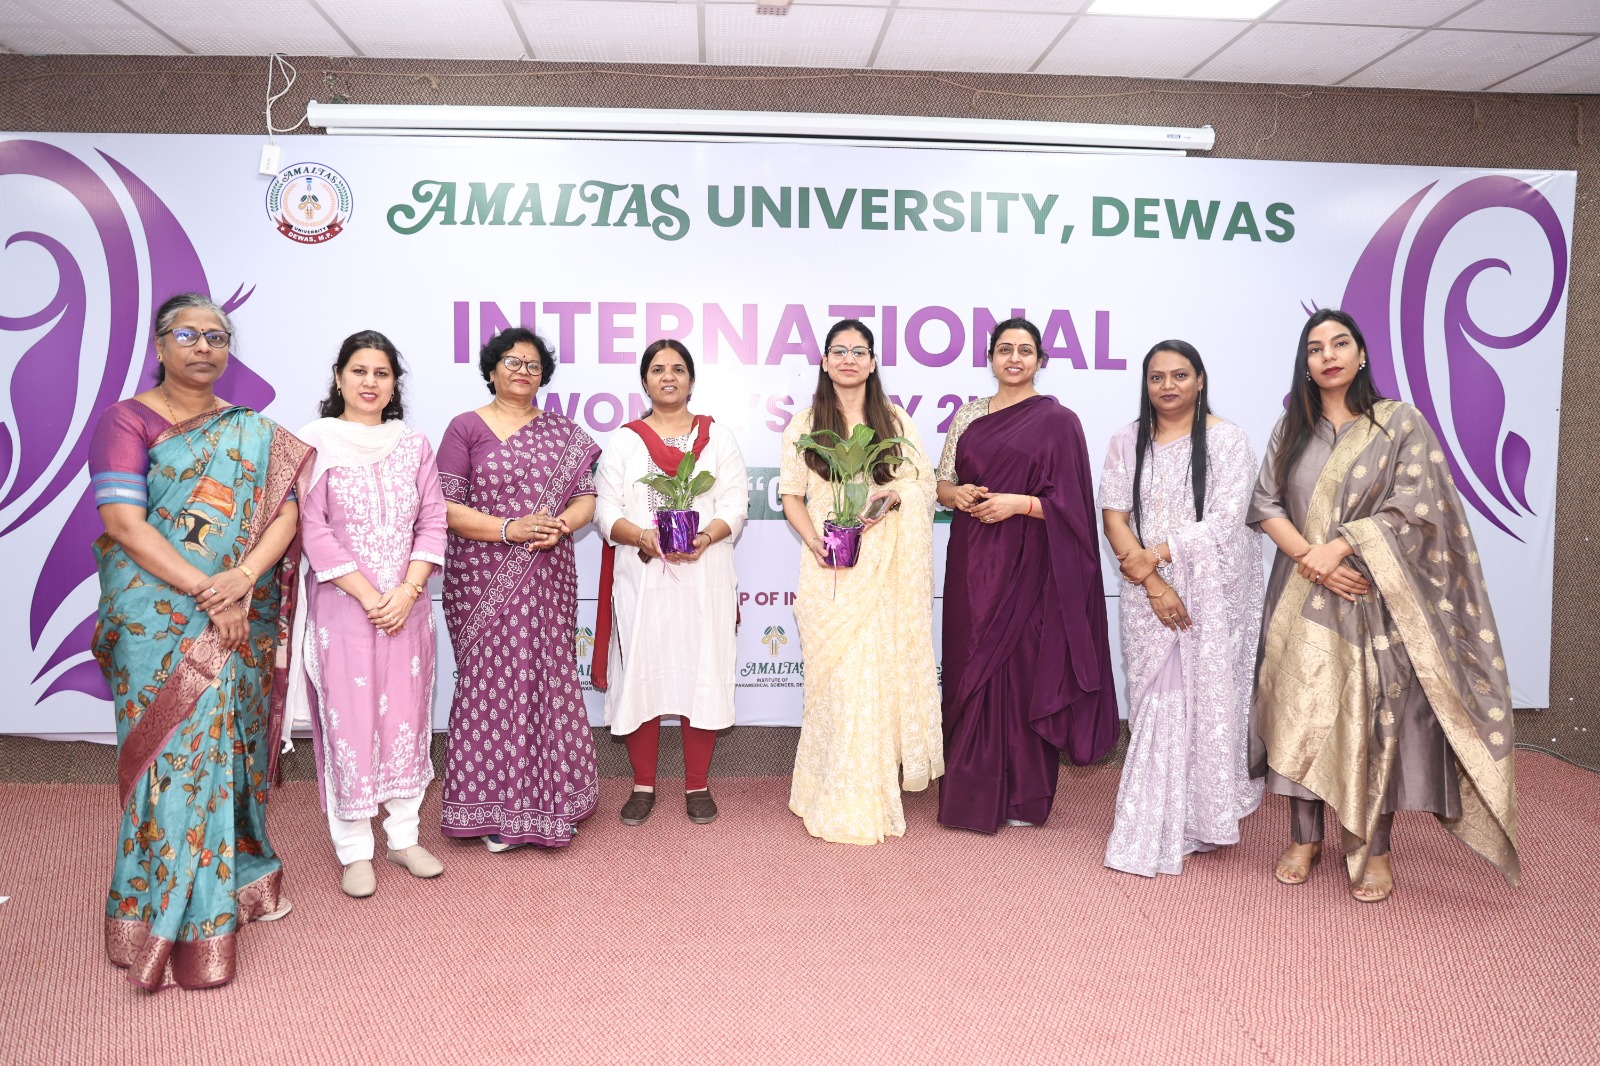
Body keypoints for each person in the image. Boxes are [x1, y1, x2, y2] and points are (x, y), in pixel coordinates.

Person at [1250, 308, 1519, 901]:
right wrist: (1314, 559)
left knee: (1376, 718)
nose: (1329, 355)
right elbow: (1266, 503)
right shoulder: (1291, 428)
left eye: (1340, 343)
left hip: (1374, 596)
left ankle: (1375, 846)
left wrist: (1344, 545)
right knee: (1300, 708)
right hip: (1302, 590)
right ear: (1306, 363)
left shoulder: (1399, 424)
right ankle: (1303, 837)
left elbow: (1420, 506)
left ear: (1362, 354)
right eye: (1316, 348)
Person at [90, 293, 308, 990]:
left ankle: (238, 881)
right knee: (169, 754)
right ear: (160, 346)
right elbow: (125, 524)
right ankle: (159, 910)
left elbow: (285, 514)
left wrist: (240, 579)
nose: (205, 347)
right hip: (154, 618)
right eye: (188, 335)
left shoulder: (252, 431)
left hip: (234, 607)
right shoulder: (126, 420)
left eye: (217, 336)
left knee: (228, 744)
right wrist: (211, 592)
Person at [936, 317, 1118, 833]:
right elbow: (942, 484)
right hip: (972, 562)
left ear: (1040, 360)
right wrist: (957, 495)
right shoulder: (968, 416)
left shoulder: (1059, 422)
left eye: (1024, 350)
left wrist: (1021, 504)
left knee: (1024, 670)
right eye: (1004, 349)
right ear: (990, 358)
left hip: (1034, 565)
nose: (1014, 358)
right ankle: (970, 797)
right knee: (969, 666)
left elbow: (1075, 507)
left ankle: (1023, 796)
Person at [1098, 340, 1264, 877]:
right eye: (1156, 377)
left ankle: (1202, 816)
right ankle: (1155, 820)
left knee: (1207, 699)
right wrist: (1152, 580)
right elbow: (1115, 517)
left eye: (1179, 375)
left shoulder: (1226, 439)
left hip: (1212, 592)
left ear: (1199, 380)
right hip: (1148, 590)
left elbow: (1227, 519)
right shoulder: (1127, 440)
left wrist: (1156, 555)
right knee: (1160, 701)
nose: (1167, 386)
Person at [292, 331, 448, 898]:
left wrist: (407, 591)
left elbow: (433, 520)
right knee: (350, 723)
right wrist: (367, 594)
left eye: (381, 373)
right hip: (343, 608)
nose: (369, 382)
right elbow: (312, 528)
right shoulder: (315, 443)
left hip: (407, 607)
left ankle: (403, 837)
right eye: (359, 371)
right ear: (339, 378)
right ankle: (354, 849)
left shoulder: (413, 444)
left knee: (407, 718)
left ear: (394, 385)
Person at [436, 327, 600, 851]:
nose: (523, 371)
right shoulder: (465, 428)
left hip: (547, 575)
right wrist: (511, 529)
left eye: (533, 365)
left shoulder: (564, 433)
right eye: (512, 361)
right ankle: (492, 807)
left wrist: (562, 526)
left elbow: (586, 498)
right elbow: (446, 508)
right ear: (491, 369)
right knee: (491, 688)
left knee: (547, 681)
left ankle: (554, 801)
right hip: (481, 578)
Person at [779, 318, 941, 845]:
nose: (848, 359)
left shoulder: (895, 422)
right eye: (839, 351)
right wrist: (815, 542)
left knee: (872, 678)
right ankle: (826, 784)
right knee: (837, 682)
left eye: (859, 351)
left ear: (872, 363)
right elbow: (791, 495)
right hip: (828, 566)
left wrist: (896, 495)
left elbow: (922, 484)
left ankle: (867, 788)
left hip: (885, 568)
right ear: (825, 363)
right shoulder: (805, 424)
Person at [593, 340, 749, 825]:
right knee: (643, 671)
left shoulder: (717, 438)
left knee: (701, 669)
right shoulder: (625, 441)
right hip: (643, 577)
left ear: (691, 380)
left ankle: (697, 784)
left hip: (705, 573)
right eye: (658, 369)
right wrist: (642, 535)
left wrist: (706, 536)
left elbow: (735, 504)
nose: (668, 377)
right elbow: (604, 511)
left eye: (678, 369)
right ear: (644, 381)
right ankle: (643, 784)